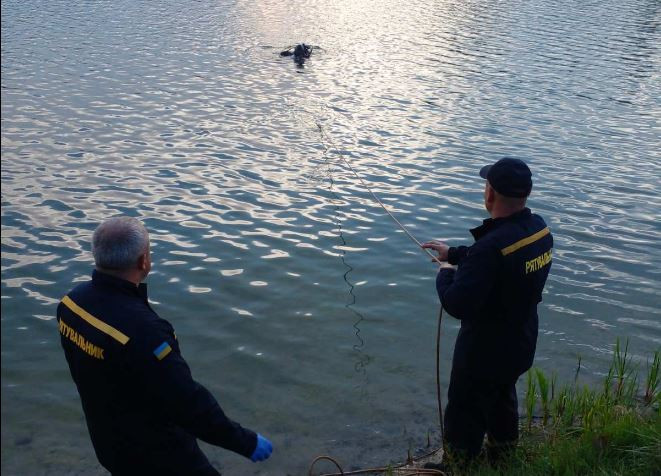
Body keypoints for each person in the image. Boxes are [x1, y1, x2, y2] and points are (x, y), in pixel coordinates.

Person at [56, 216, 273, 476]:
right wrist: (245, 442)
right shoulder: (146, 332)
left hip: (108, 443)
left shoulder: (71, 304)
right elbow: (187, 401)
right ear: (143, 261)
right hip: (158, 455)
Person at [422, 158, 553, 467]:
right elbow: (503, 260)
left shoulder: (490, 248)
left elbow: (457, 303)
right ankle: (503, 455)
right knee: (502, 398)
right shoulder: (539, 230)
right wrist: (454, 254)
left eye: (486, 185)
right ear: (527, 193)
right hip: (520, 342)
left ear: (490, 194)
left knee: (465, 410)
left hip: (483, 352)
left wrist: (445, 272)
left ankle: (456, 465)